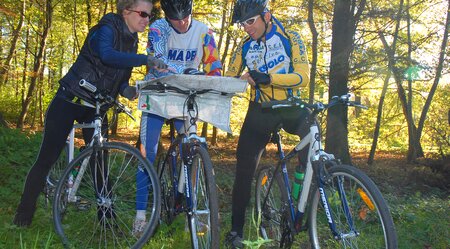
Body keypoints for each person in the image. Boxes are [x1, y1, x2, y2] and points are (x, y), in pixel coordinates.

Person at [13, 0, 167, 227]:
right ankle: (22, 219)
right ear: (126, 12)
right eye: (143, 14)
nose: (147, 19)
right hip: (70, 98)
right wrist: (145, 59)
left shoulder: (132, 41)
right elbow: (106, 55)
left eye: (150, 15)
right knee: (47, 158)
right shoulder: (106, 28)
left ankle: (107, 221)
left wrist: (131, 91)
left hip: (96, 106)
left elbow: (121, 81)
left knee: (100, 162)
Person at [223, 0, 310, 247]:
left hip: (291, 107)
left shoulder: (290, 36)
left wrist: (270, 78)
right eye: (243, 24)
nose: (246, 28)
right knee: (244, 170)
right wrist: (239, 80)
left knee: (313, 144)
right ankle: (236, 231)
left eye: (250, 21)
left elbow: (303, 77)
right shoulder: (244, 46)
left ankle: (297, 204)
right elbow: (229, 79)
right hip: (260, 110)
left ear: (267, 15)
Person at [133, 0, 222, 236]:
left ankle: (191, 209)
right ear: (166, 15)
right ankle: (140, 216)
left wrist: (214, 80)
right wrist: (188, 72)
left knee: (190, 150)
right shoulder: (158, 28)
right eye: (176, 19)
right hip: (158, 95)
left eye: (186, 17)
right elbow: (159, 61)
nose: (182, 23)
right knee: (147, 153)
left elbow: (214, 65)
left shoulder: (204, 31)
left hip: (186, 96)